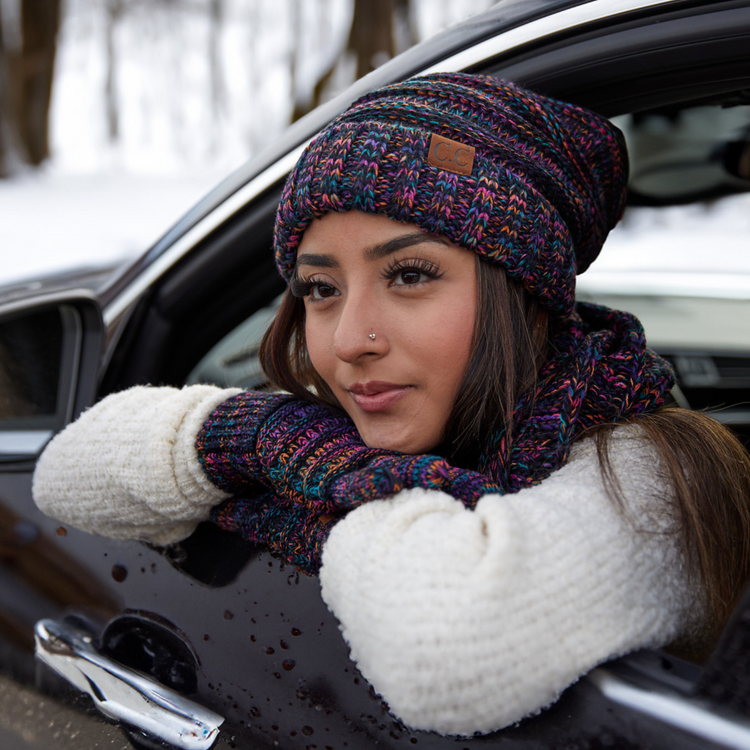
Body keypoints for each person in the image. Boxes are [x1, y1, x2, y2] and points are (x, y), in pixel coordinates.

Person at [33, 74, 750, 736]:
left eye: (409, 275)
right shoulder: (352, 424)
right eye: (320, 289)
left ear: (524, 291)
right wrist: (285, 442)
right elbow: (63, 473)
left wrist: (332, 479)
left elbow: (445, 653)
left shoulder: (658, 476)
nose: (348, 341)